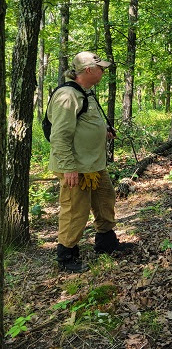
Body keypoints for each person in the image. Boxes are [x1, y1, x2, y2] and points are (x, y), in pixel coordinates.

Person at [48, 51, 133, 273]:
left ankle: (106, 243)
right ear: (88, 70)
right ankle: (66, 255)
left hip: (94, 165)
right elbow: (60, 136)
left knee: (105, 199)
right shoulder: (68, 96)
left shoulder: (86, 93)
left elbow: (84, 123)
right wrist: (68, 167)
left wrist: (102, 130)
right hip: (76, 166)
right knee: (75, 210)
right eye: (100, 68)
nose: (103, 71)